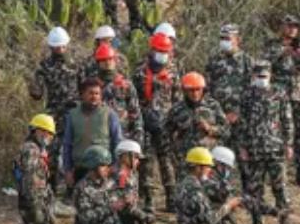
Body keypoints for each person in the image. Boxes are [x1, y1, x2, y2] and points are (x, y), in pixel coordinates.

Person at [237, 60, 293, 224]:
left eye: (264, 76)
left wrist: (288, 144)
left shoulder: (279, 93)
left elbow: (287, 120)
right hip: (254, 150)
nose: (261, 79)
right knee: (255, 190)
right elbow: (241, 123)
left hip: (275, 149)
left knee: (280, 188)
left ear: (270, 76)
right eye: (258, 76)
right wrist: (242, 147)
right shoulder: (247, 95)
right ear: (253, 76)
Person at [264, 15, 300, 188]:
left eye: (295, 26)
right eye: (289, 25)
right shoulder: (272, 44)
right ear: (282, 27)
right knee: (282, 135)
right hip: (280, 97)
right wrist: (283, 52)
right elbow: (264, 64)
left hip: (299, 96)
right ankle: (280, 177)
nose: (293, 29)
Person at [133, 32, 179, 213]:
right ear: (152, 50)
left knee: (166, 160)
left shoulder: (173, 71)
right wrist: (140, 116)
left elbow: (177, 99)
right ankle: (149, 200)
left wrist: (174, 122)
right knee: (146, 162)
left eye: (165, 51)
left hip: (166, 122)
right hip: (145, 121)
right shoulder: (140, 70)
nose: (162, 54)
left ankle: (171, 198)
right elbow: (133, 98)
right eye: (159, 50)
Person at [28, 27, 79, 187]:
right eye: (57, 47)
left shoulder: (76, 64)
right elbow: (37, 94)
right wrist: (33, 84)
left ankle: (74, 189)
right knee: (51, 151)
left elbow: (86, 86)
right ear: (51, 47)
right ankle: (51, 188)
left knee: (75, 150)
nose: (60, 50)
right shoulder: (44, 67)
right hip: (53, 115)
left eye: (63, 46)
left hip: (75, 113)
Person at [61, 77, 123, 197]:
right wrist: (68, 171)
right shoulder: (72, 115)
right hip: (79, 168)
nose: (94, 96)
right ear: (82, 94)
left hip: (103, 170)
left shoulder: (110, 114)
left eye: (97, 93)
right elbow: (67, 144)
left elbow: (118, 143)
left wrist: (113, 168)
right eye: (90, 93)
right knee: (79, 206)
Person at [165, 72, 228, 179]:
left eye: (198, 89)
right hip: (186, 162)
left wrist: (211, 129)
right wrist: (174, 155)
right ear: (185, 90)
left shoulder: (213, 106)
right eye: (191, 90)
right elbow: (166, 133)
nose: (195, 93)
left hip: (209, 160)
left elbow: (226, 130)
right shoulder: (176, 109)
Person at [205, 24, 253, 134]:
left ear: (237, 40)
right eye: (221, 38)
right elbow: (207, 89)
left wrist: (238, 112)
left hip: (240, 119)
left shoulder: (247, 61)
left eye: (227, 38)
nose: (223, 41)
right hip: (217, 118)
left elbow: (252, 91)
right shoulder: (214, 60)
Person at [94, 45, 144, 145]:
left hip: (123, 137)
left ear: (115, 61)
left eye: (110, 60)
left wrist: (138, 141)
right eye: (103, 60)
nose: (107, 63)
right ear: (98, 63)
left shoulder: (126, 85)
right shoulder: (92, 85)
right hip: (98, 138)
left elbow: (135, 114)